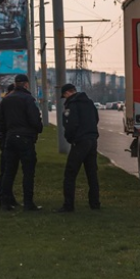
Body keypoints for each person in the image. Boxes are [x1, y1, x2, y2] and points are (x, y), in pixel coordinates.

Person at [0, 74, 43, 211]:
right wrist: (38, 129)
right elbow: (34, 119)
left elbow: (1, 121)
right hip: (25, 139)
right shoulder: (28, 99)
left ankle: (5, 202)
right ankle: (28, 203)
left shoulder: (5, 100)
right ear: (26, 84)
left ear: (15, 84)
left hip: (10, 138)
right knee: (28, 171)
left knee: (9, 171)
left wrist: (7, 132)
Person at [56, 83, 100, 213]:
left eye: (64, 96)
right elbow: (96, 119)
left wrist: (70, 138)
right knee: (92, 173)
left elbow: (71, 125)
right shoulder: (89, 102)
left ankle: (68, 205)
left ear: (68, 93)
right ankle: (95, 203)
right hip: (92, 140)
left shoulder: (72, 105)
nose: (65, 99)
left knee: (70, 173)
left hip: (80, 142)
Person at [0, 83, 18, 207]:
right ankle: (3, 197)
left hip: (7, 139)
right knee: (6, 170)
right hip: (6, 140)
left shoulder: (2, 105)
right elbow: (2, 125)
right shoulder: (3, 105)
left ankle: (8, 196)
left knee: (9, 170)